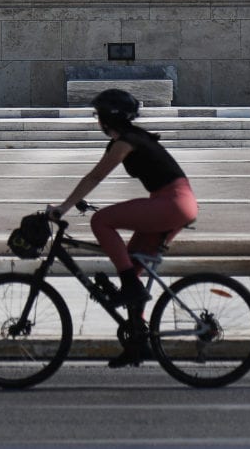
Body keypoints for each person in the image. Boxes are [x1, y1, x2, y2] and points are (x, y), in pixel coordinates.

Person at [47, 89, 198, 368]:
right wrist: (76, 202)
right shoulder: (130, 138)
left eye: (99, 116)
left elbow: (95, 176)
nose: (97, 121)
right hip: (178, 202)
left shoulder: (126, 142)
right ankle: (137, 344)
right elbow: (94, 178)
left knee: (101, 221)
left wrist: (62, 208)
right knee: (134, 267)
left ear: (107, 118)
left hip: (171, 203)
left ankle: (129, 285)